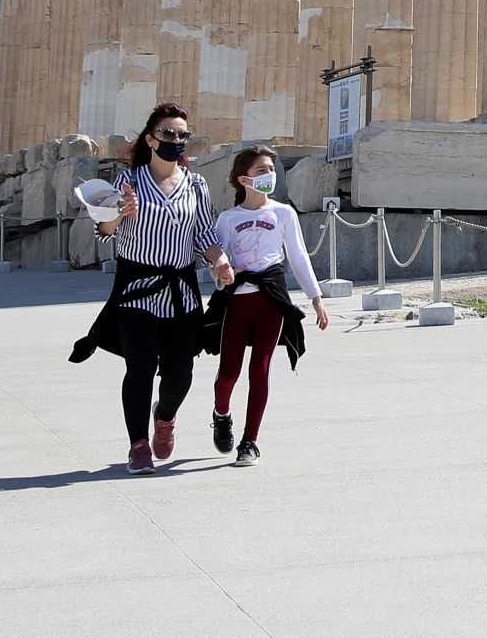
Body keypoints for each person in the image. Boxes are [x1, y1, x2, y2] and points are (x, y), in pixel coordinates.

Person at [68, 103, 231, 474]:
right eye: (168, 134)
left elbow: (204, 231)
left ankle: (166, 416)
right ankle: (138, 446)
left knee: (181, 373)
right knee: (139, 368)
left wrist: (219, 260)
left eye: (181, 135)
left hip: (181, 291)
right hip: (136, 289)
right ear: (150, 139)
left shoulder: (196, 183)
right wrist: (117, 217)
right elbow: (105, 232)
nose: (175, 141)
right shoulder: (129, 182)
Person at [204, 146, 326, 467]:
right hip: (239, 300)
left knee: (259, 370)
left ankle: (250, 441)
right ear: (244, 179)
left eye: (271, 169)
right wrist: (222, 274)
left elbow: (298, 256)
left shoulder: (283, 213)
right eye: (262, 171)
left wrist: (316, 299)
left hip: (271, 298)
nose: (269, 175)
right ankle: (221, 414)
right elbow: (218, 263)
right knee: (229, 372)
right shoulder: (228, 219)